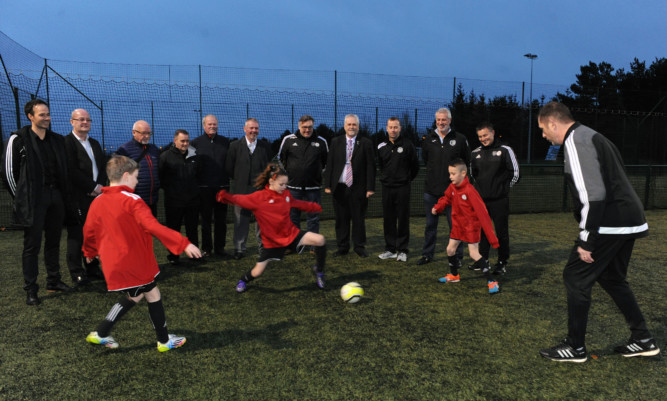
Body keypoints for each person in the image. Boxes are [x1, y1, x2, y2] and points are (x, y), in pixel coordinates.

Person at [537, 102, 660, 363]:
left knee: (575, 276)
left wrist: (587, 239)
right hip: (629, 218)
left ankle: (575, 347)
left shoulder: (576, 141)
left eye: (543, 129)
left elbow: (593, 195)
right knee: (612, 278)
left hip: (611, 221)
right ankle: (643, 339)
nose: (543, 135)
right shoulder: (592, 135)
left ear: (552, 123)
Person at [83, 155, 201, 352]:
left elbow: (89, 231)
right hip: (135, 261)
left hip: (114, 263)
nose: (138, 181)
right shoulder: (133, 200)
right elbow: (152, 226)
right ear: (127, 176)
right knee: (152, 293)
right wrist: (183, 243)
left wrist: (89, 251)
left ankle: (101, 333)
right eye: (137, 177)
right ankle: (164, 341)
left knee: (135, 295)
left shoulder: (97, 201)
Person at [1, 99, 71, 305]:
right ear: (30, 116)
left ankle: (54, 280)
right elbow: (7, 173)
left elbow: (63, 171)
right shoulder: (18, 139)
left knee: (53, 242)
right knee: (31, 246)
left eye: (48, 114)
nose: (47, 118)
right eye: (42, 115)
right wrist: (22, 199)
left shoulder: (57, 140)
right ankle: (31, 289)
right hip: (33, 200)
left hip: (55, 198)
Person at [216, 163, 327, 292]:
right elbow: (239, 199)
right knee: (257, 272)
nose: (284, 187)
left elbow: (296, 203)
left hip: (291, 235)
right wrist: (224, 196)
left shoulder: (286, 194)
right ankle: (243, 280)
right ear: (271, 181)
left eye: (286, 184)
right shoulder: (259, 197)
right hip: (272, 243)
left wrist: (313, 207)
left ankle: (319, 271)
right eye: (281, 184)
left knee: (320, 240)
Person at [432, 158, 500, 294]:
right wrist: (437, 207)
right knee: (450, 250)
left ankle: (491, 281)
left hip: (471, 227)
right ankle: (454, 275)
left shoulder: (470, 191)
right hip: (458, 226)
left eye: (453, 174)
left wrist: (492, 239)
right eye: (449, 173)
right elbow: (446, 198)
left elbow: (483, 214)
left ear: (463, 173)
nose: (450, 177)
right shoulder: (452, 187)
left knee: (474, 254)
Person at [418, 107, 470, 267]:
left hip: (453, 193)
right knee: (430, 226)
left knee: (455, 226)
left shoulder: (460, 139)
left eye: (444, 119)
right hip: (431, 192)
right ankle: (427, 255)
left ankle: (457, 257)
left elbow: (467, 162)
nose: (441, 122)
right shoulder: (428, 139)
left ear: (450, 120)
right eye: (439, 120)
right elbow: (426, 160)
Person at [63, 108, 108, 285]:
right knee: (77, 234)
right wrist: (92, 187)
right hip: (77, 197)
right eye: (81, 119)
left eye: (88, 120)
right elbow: (71, 171)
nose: (85, 122)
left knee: (95, 234)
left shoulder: (95, 143)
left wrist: (100, 187)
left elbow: (102, 167)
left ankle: (92, 268)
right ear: (72, 121)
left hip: (96, 196)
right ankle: (76, 272)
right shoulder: (66, 143)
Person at [470, 122, 520, 275]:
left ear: (492, 133)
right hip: (482, 201)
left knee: (501, 233)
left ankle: (502, 262)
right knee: (483, 232)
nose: (483, 139)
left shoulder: (505, 150)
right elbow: (473, 176)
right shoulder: (474, 153)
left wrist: (502, 189)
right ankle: (482, 260)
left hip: (499, 200)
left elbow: (516, 174)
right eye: (480, 136)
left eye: (485, 135)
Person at [323, 114, 375, 258]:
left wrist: (370, 187)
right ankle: (342, 247)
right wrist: (328, 184)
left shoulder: (366, 143)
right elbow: (330, 164)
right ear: (344, 126)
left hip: (358, 188)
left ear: (358, 126)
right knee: (341, 219)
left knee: (358, 218)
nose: (352, 127)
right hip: (339, 187)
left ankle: (359, 247)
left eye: (354, 124)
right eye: (349, 124)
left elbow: (371, 166)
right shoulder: (336, 141)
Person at [376, 117, 419, 262]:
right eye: (390, 127)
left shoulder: (408, 145)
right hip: (387, 187)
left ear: (400, 128)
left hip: (403, 188)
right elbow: (381, 166)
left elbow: (415, 167)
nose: (393, 130)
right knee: (388, 219)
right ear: (386, 128)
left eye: (396, 127)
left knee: (402, 219)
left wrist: (405, 179)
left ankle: (402, 250)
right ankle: (390, 249)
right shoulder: (381, 146)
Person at [278, 115, 328, 237]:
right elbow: (280, 158)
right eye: (304, 127)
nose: (307, 130)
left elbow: (326, 162)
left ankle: (313, 245)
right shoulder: (288, 140)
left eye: (310, 127)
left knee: (313, 218)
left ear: (313, 126)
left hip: (313, 188)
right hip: (293, 187)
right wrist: (290, 173)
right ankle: (295, 244)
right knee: (292, 217)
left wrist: (315, 174)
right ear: (299, 126)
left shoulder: (321, 141)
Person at [191, 114, 231, 258]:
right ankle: (207, 248)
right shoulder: (195, 143)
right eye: (209, 124)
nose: (212, 126)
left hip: (222, 188)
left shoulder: (225, 142)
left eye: (214, 124)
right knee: (206, 220)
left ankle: (220, 248)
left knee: (221, 220)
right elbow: (191, 165)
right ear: (204, 126)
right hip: (204, 189)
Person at [159, 129, 200, 264]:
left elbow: (198, 176)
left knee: (192, 230)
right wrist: (172, 190)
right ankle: (174, 256)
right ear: (175, 141)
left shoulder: (194, 155)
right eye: (182, 141)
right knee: (173, 230)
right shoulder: (165, 156)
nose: (185, 143)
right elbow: (161, 177)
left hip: (192, 201)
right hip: (174, 201)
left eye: (187, 141)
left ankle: (194, 255)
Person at [115, 120, 160, 216]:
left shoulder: (154, 149)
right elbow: (116, 175)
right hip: (134, 202)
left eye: (149, 133)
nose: (147, 136)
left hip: (152, 201)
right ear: (134, 132)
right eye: (143, 133)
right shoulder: (124, 150)